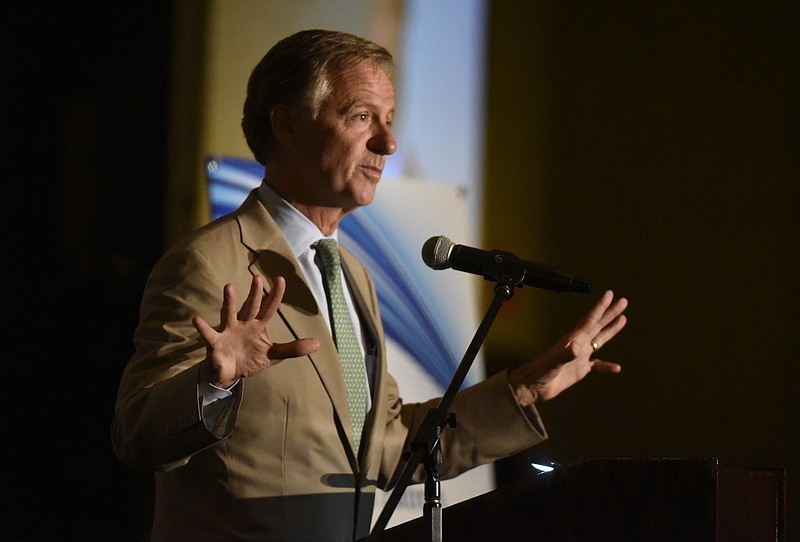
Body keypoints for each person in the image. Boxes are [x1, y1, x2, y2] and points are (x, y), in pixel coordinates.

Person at [111, 29, 628, 542]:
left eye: (389, 120)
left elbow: (388, 445)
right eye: (361, 116)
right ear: (287, 125)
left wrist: (524, 388)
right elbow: (136, 434)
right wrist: (213, 382)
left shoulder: (352, 276)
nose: (388, 142)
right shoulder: (207, 262)